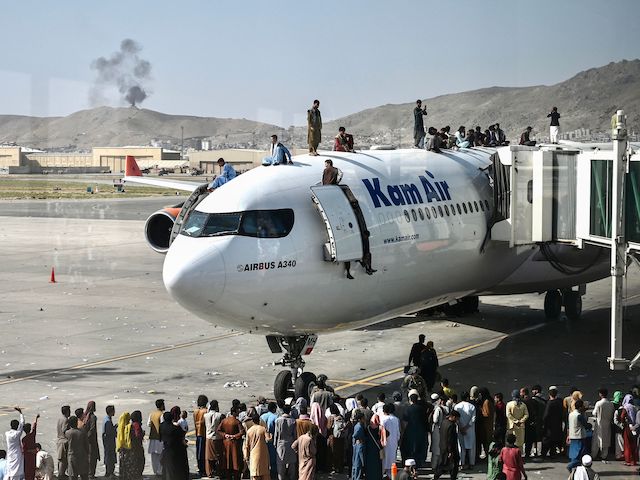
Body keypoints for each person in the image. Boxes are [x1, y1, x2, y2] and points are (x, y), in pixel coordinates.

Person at [217, 406, 245, 480]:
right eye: (237, 411)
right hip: (234, 443)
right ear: (234, 412)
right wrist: (234, 436)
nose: (239, 412)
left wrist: (225, 435)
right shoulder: (237, 421)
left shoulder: (224, 420)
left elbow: (218, 430)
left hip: (226, 442)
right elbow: (242, 432)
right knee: (235, 460)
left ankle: (227, 475)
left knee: (227, 460)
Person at [160, 408, 189, 480]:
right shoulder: (175, 428)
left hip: (165, 449)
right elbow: (181, 436)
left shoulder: (162, 425)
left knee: (166, 467)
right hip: (174, 450)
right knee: (174, 467)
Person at [243, 412, 270, 480]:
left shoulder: (249, 431)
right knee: (264, 473)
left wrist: (246, 456)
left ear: (252, 421)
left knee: (255, 474)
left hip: (253, 454)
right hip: (263, 454)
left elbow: (247, 445)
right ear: (259, 420)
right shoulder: (263, 429)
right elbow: (268, 439)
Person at [434, 410, 460, 480]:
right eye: (457, 418)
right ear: (454, 417)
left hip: (443, 446)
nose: (457, 420)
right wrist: (450, 451)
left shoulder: (444, 422)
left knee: (444, 464)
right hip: (450, 449)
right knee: (451, 465)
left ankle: (436, 476)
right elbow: (450, 439)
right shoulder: (452, 425)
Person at [274, 404, 297, 480]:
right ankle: (292, 477)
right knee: (292, 463)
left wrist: (275, 444)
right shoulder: (293, 421)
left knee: (280, 464)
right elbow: (295, 435)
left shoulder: (278, 420)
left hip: (280, 443)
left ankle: (281, 478)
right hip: (291, 443)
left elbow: (276, 434)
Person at [455, 392, 477, 469]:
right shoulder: (472, 407)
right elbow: (473, 419)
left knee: (461, 447)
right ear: (467, 398)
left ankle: (462, 464)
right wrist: (466, 427)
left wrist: (461, 427)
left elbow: (456, 419)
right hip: (470, 430)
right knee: (471, 447)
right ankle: (471, 464)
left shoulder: (457, 407)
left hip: (460, 429)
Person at [591, 388, 615, 460]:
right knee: (606, 439)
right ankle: (604, 455)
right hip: (607, 423)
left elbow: (594, 413)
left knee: (596, 440)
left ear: (600, 394)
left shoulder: (599, 403)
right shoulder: (610, 403)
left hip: (599, 423)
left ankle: (594, 455)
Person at [205, 400, 225, 478]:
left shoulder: (205, 415)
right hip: (218, 437)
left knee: (209, 457)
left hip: (209, 437)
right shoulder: (220, 415)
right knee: (219, 456)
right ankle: (220, 471)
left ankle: (209, 472)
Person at [567, 399, 590, 471]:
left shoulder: (571, 414)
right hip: (579, 436)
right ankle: (571, 466)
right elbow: (586, 425)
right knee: (580, 454)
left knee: (573, 454)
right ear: (580, 407)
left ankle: (575, 468)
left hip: (572, 436)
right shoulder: (579, 415)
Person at [541, 386, 563, 458]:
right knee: (554, 439)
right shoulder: (559, 402)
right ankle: (552, 453)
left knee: (546, 439)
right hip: (557, 424)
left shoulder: (549, 403)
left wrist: (543, 422)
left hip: (549, 425)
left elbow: (546, 415)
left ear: (549, 394)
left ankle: (544, 454)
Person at [380, 404, 401, 478]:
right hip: (394, 442)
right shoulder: (396, 419)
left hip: (385, 443)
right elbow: (398, 432)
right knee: (392, 460)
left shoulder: (383, 419)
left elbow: (381, 432)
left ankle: (382, 475)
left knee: (384, 460)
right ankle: (391, 475)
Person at [617, 394, 638, 466]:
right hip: (635, 427)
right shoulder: (634, 407)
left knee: (627, 444)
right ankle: (634, 460)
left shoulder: (626, 407)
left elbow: (622, 416)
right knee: (634, 444)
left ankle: (628, 460)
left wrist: (623, 422)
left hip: (628, 427)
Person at [259, 402, 278, 478]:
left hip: (263, 439)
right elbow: (272, 428)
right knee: (273, 458)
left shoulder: (262, 416)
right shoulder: (275, 417)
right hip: (271, 440)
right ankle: (273, 475)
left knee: (264, 458)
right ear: (274, 409)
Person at [6, 407, 25, 480]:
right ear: (17, 426)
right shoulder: (17, 434)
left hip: (10, 453)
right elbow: (22, 423)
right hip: (17, 453)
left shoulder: (7, 434)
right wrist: (21, 413)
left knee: (10, 469)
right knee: (17, 469)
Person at [81, 402, 99, 479]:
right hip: (91, 441)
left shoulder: (84, 416)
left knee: (88, 457)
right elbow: (92, 429)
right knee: (92, 457)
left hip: (85, 440)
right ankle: (91, 474)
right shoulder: (93, 417)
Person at [476, 387, 495, 461]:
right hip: (488, 425)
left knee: (486, 441)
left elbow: (486, 414)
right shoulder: (489, 400)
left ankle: (488, 456)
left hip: (486, 425)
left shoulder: (486, 402)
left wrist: (480, 409)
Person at [326, 404, 346, 474]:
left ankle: (334, 467)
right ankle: (340, 468)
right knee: (340, 453)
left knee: (333, 453)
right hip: (341, 438)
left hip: (333, 438)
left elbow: (328, 428)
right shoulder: (341, 417)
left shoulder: (331, 418)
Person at [147, 399, 164, 476]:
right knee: (160, 455)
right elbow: (163, 425)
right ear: (161, 405)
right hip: (159, 438)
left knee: (154, 456)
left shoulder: (151, 414)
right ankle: (160, 471)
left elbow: (148, 424)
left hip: (152, 437)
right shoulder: (161, 414)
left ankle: (155, 471)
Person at [193, 394, 208, 478]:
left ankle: (200, 468)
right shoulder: (205, 411)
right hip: (204, 433)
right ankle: (204, 469)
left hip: (197, 433)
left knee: (198, 452)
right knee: (203, 452)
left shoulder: (195, 411)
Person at [364, 416, 383, 480]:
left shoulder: (368, 428)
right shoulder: (380, 428)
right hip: (377, 449)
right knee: (377, 466)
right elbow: (387, 433)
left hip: (369, 449)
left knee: (370, 466)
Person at [429, 394, 445, 469]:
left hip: (436, 429)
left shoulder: (437, 409)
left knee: (436, 448)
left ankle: (434, 465)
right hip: (441, 429)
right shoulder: (443, 408)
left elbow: (435, 420)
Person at [22, 415, 39, 480]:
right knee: (32, 470)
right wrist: (36, 418)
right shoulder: (32, 435)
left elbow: (24, 450)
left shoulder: (24, 439)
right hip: (32, 456)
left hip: (27, 457)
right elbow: (34, 427)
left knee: (27, 471)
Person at [102, 406, 117, 479]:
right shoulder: (108, 421)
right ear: (111, 412)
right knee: (110, 456)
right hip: (109, 442)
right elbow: (109, 432)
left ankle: (109, 472)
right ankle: (109, 472)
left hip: (107, 442)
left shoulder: (106, 419)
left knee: (108, 456)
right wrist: (115, 428)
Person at [57, 405, 71, 480]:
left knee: (60, 458)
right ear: (67, 412)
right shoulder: (66, 420)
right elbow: (64, 430)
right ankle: (61, 475)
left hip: (59, 440)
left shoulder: (60, 419)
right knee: (63, 459)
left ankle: (61, 473)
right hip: (64, 441)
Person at [351, 412, 366, 480]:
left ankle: (354, 476)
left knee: (356, 462)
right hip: (359, 444)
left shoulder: (357, 425)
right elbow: (355, 435)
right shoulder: (359, 426)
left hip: (357, 445)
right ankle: (357, 477)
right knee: (358, 462)